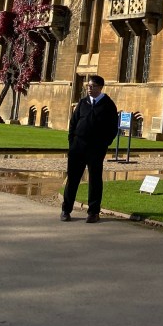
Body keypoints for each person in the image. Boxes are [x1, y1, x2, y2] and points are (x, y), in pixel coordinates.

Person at [60, 75, 118, 223]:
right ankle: (66, 210)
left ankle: (93, 212)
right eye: (88, 86)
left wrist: (104, 144)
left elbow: (112, 129)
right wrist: (72, 142)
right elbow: (73, 123)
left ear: (100, 87)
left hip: (96, 148)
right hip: (78, 146)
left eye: (92, 86)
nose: (89, 89)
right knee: (72, 179)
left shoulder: (108, 105)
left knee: (95, 180)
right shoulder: (83, 102)